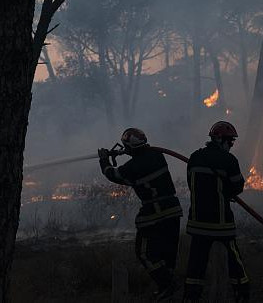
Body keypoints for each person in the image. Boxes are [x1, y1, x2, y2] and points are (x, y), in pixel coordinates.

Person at [99, 128, 182, 300]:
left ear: (129, 147)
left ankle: (167, 284)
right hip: (173, 210)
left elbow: (113, 174)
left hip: (155, 214)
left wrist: (104, 160)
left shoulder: (134, 166)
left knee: (144, 253)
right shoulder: (157, 155)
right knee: (167, 254)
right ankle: (169, 291)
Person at [182, 121, 250, 302]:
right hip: (221, 223)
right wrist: (225, 193)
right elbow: (237, 187)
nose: (231, 145)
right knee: (234, 260)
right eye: (230, 141)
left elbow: (192, 184)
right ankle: (242, 293)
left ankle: (190, 297)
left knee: (196, 264)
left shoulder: (194, 157)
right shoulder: (229, 160)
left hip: (197, 222)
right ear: (221, 140)